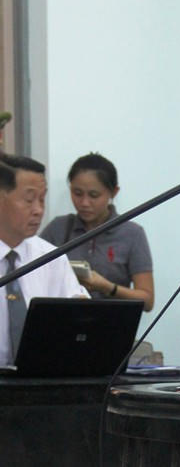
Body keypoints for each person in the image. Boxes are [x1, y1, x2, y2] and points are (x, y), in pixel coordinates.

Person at [0, 153, 88, 366]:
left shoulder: (50, 257)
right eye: (29, 200)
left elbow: (78, 313)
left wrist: (81, 313)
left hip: (37, 379)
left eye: (42, 199)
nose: (38, 210)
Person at [40, 153, 154, 311]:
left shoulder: (132, 234)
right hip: (64, 319)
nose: (84, 203)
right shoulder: (57, 228)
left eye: (94, 195)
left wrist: (107, 287)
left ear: (114, 192)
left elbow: (147, 301)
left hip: (113, 321)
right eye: (77, 193)